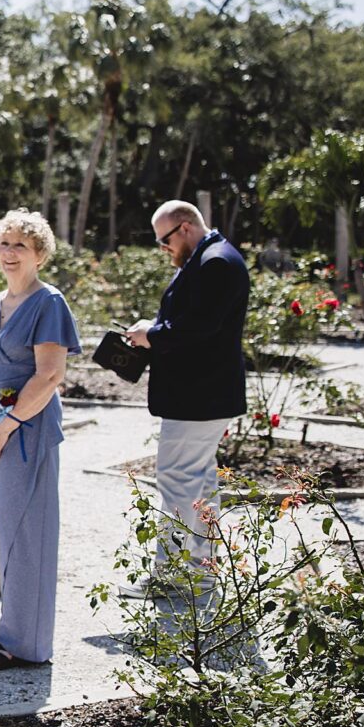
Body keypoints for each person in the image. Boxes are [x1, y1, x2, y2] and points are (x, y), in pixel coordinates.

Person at [0, 210, 80, 671]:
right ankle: (13, 628)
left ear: (40, 255)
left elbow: (50, 376)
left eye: (20, 246)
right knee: (8, 533)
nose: (9, 253)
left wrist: (2, 427)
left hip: (23, 435)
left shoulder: (48, 303)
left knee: (30, 534)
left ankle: (25, 645)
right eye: (4, 243)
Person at [122, 200, 249, 597]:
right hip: (203, 395)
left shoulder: (216, 262)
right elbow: (195, 321)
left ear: (185, 227)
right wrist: (154, 328)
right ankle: (202, 570)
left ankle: (174, 576)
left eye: (165, 241)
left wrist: (153, 335)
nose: (164, 249)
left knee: (176, 481)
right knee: (199, 483)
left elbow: (200, 328)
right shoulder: (212, 258)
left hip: (199, 397)